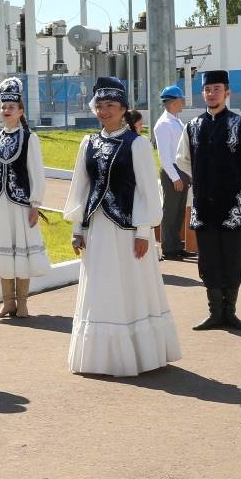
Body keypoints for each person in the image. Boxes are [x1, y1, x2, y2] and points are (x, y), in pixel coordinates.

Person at [63, 76, 182, 376]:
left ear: (124, 108)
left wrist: (144, 231)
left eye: (110, 105)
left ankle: (138, 355)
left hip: (127, 231)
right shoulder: (87, 143)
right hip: (97, 230)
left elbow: (148, 191)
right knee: (101, 288)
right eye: (99, 105)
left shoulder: (137, 144)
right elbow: (80, 187)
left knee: (128, 288)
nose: (104, 111)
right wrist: (77, 228)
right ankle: (99, 357)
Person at [177, 69, 241, 331]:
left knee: (233, 259)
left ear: (227, 92)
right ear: (203, 93)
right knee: (208, 259)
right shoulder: (192, 127)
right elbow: (182, 159)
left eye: (217, 89)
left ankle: (230, 312)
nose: (212, 94)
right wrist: (200, 178)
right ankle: (214, 312)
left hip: (233, 206)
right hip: (204, 205)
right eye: (207, 89)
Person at [0, 76, 51, 318]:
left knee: (22, 250)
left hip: (20, 203)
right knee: (3, 250)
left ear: (20, 111)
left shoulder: (29, 138)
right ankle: (8, 302)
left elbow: (36, 171)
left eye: (11, 107)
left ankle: (23, 303)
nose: (6, 110)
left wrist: (35, 204)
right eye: (4, 107)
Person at [153, 85, 192, 261]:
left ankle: (176, 246)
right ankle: (168, 249)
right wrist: (175, 177)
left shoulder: (175, 120)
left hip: (181, 171)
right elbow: (164, 156)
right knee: (170, 212)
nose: (183, 102)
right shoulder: (163, 124)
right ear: (173, 102)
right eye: (181, 99)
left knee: (179, 212)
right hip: (172, 172)